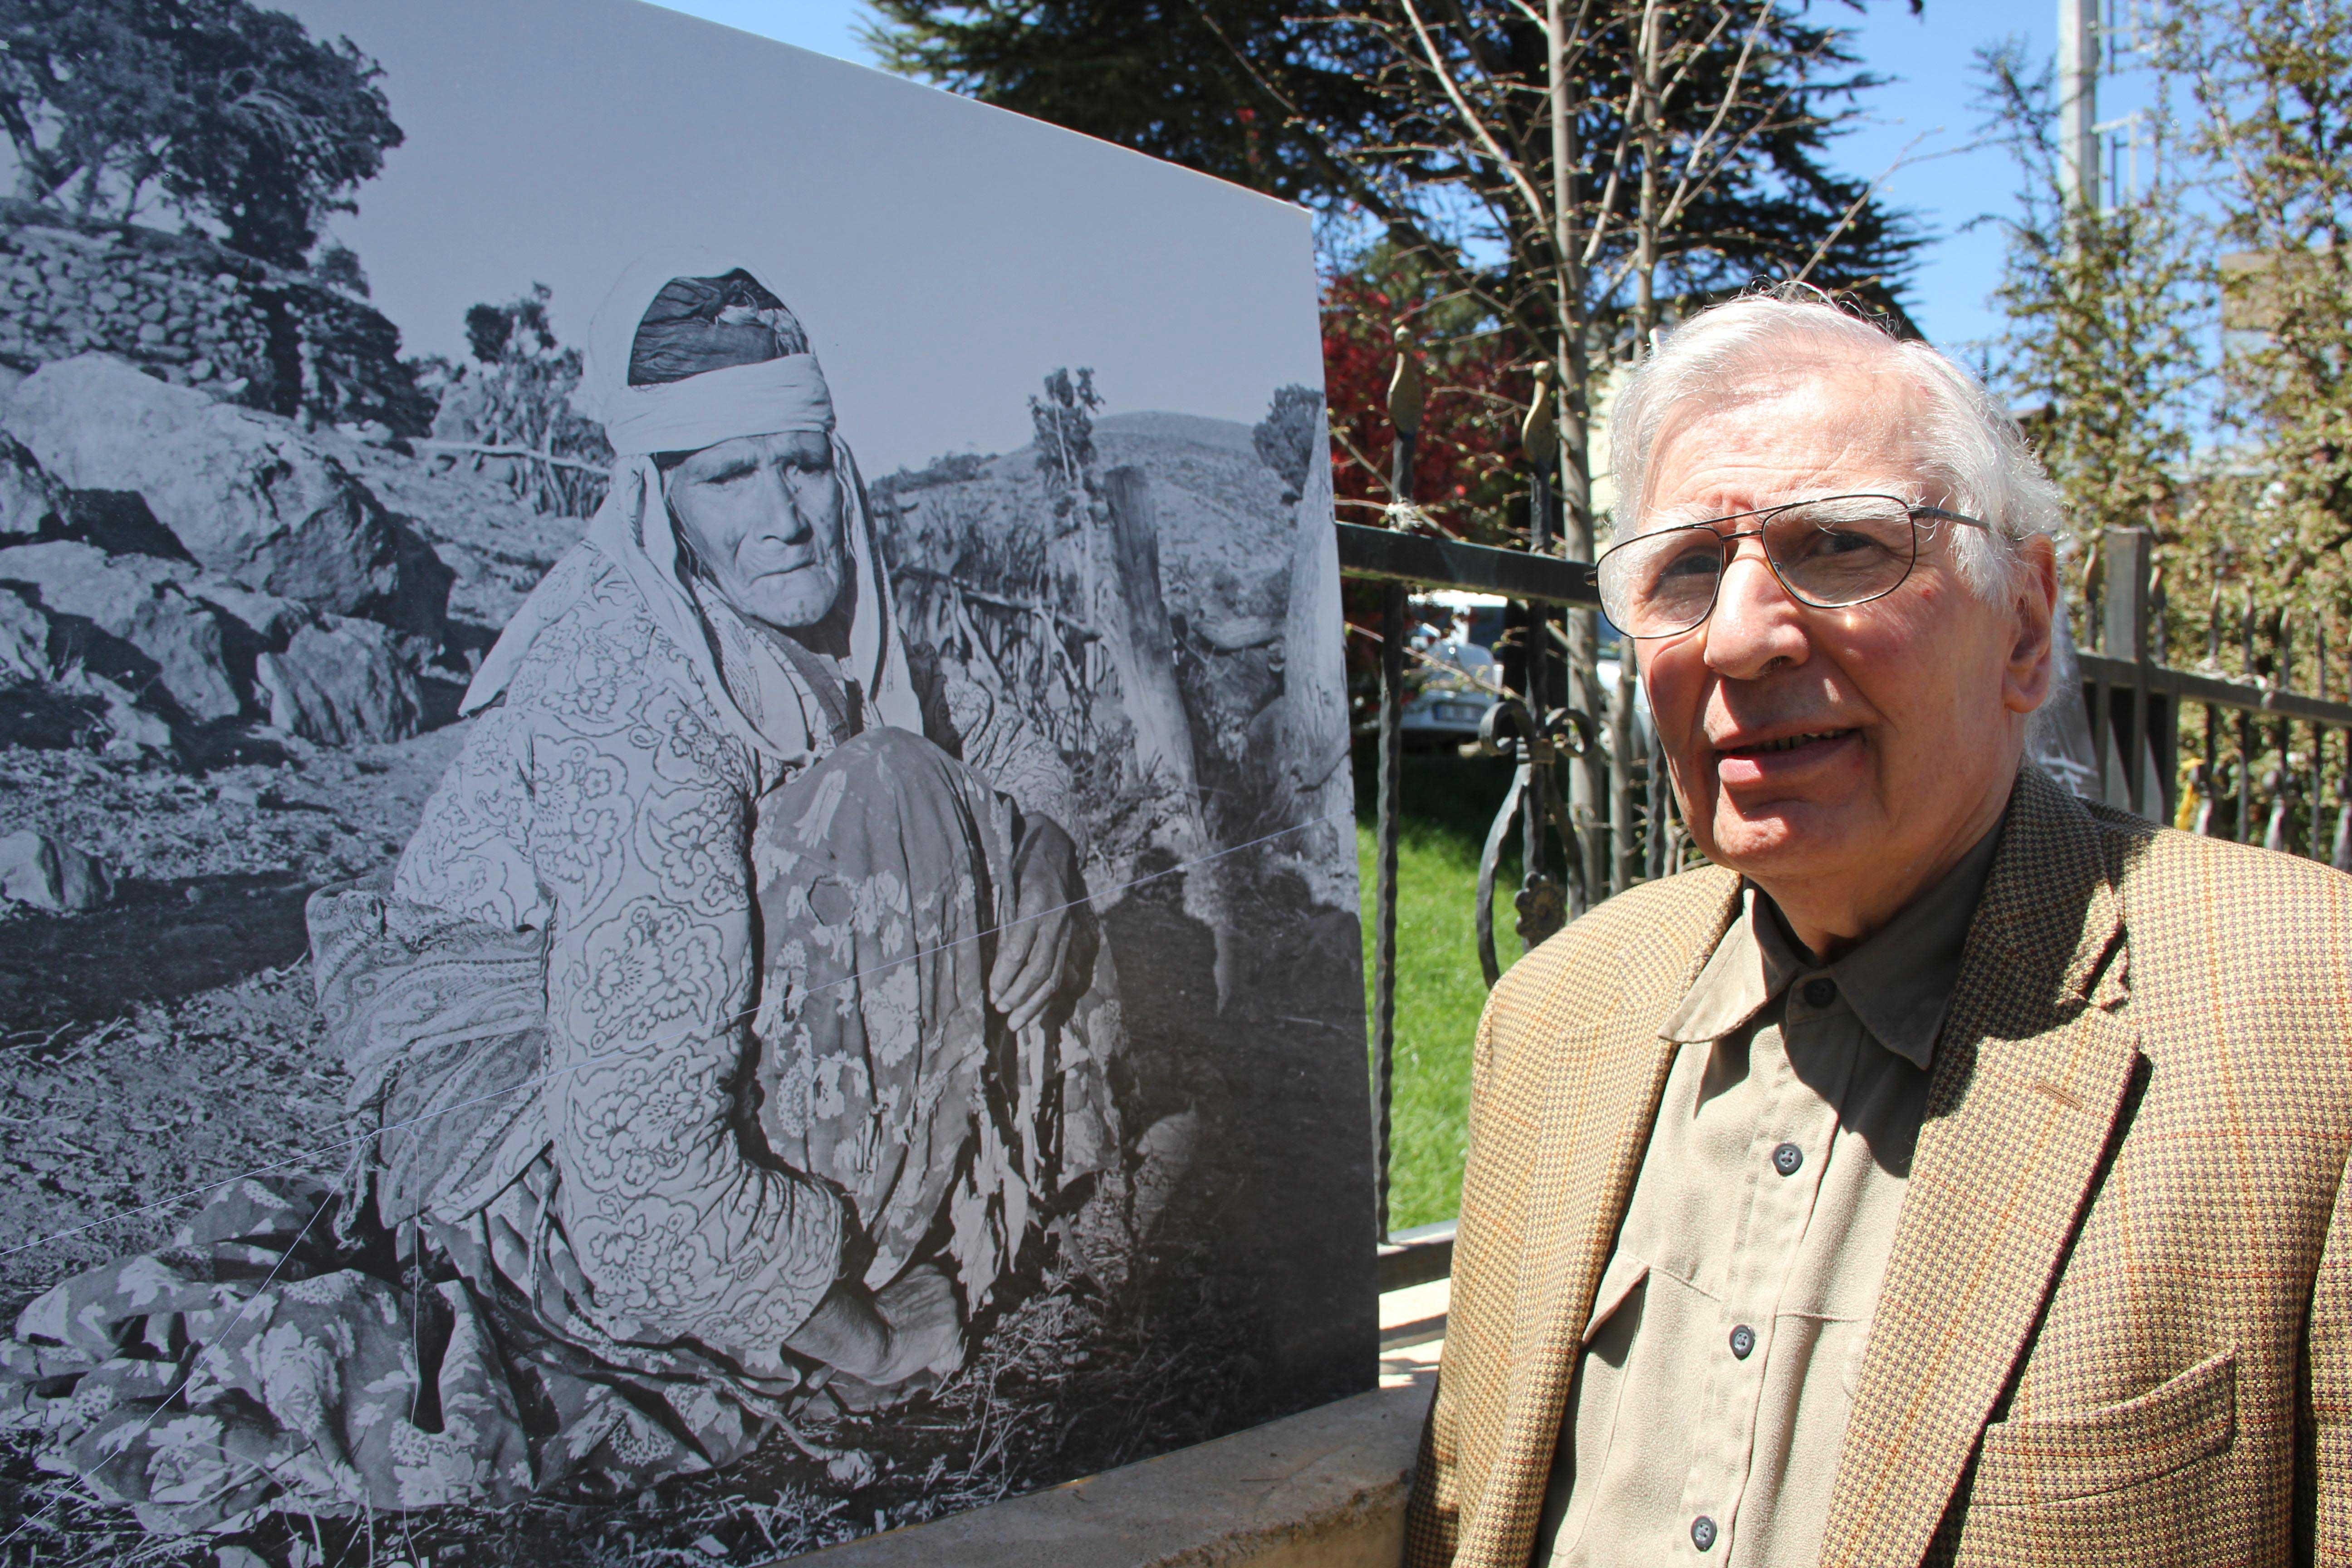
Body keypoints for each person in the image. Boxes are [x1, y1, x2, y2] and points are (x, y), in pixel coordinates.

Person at [0, 257, 1128, 1530]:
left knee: (935, 786)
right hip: (545, 1176)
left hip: (638, 1097)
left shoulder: (841, 606)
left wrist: (1039, 848)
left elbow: (1019, 744)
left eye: (802, 463)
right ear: (659, 496)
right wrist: (864, 1337)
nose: (784, 516)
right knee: (892, 793)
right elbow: (641, 1182)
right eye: (725, 476)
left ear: (838, 459)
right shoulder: (632, 700)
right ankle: (845, 1266)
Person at [1405, 285, 2352, 1568]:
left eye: (1841, 546)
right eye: (1687, 565)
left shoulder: (2310, 1024)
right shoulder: (1559, 1016)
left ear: (2024, 624)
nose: (1737, 636)